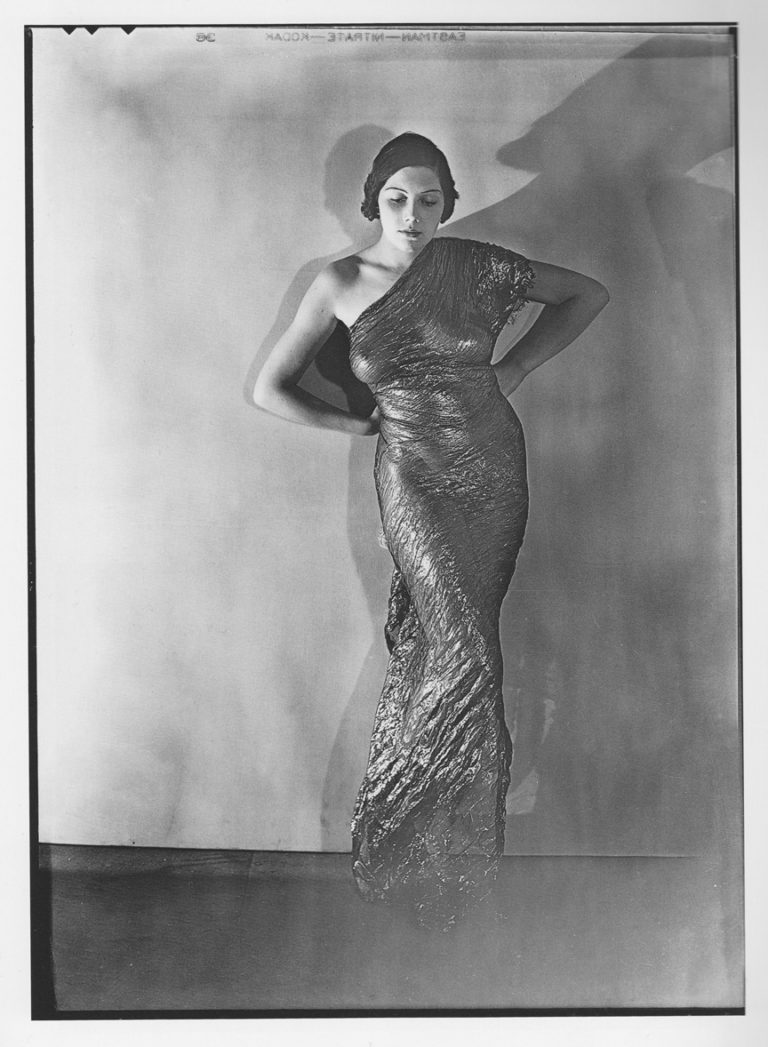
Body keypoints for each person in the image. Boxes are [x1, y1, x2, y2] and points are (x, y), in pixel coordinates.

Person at [252, 132, 609, 928]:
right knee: (461, 652)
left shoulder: (478, 266)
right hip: (412, 475)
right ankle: (413, 842)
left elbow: (588, 293)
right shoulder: (340, 282)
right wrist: (358, 423)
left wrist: (516, 367)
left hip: (492, 467)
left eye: (429, 200)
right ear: (372, 203)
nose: (412, 215)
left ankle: (448, 859)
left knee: (469, 648)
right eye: (396, 200)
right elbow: (272, 387)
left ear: (449, 203)